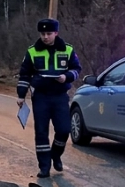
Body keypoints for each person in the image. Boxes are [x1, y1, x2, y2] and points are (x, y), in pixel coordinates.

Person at [16, 18, 82, 178]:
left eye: (49, 33)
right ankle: (44, 166)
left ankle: (56, 154)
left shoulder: (68, 49)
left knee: (64, 130)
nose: (45, 37)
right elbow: (25, 74)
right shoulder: (32, 51)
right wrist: (21, 95)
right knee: (41, 132)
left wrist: (66, 77)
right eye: (43, 34)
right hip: (41, 96)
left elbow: (76, 68)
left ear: (56, 33)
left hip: (60, 96)